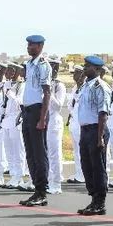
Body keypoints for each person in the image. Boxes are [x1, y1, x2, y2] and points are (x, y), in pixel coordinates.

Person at [19, 35, 52, 207]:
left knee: (39, 153)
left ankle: (42, 191)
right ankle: (36, 189)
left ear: (40, 46)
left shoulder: (43, 65)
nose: (28, 47)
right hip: (27, 112)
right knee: (30, 153)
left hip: (38, 111)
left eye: (32, 45)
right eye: (28, 44)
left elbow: (47, 92)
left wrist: (42, 118)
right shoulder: (30, 64)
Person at [76, 56, 110, 216]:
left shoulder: (100, 87)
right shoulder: (85, 85)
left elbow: (103, 113)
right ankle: (93, 198)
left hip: (97, 130)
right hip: (85, 130)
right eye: (84, 65)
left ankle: (100, 202)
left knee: (98, 167)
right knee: (86, 166)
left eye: (87, 66)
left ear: (97, 69)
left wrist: (100, 136)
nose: (84, 68)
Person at [46, 55, 66, 194]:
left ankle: (56, 183)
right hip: (44, 121)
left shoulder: (60, 85)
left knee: (55, 154)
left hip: (54, 122)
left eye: (53, 66)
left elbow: (58, 105)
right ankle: (48, 180)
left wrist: (49, 92)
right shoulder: (44, 83)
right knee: (45, 153)